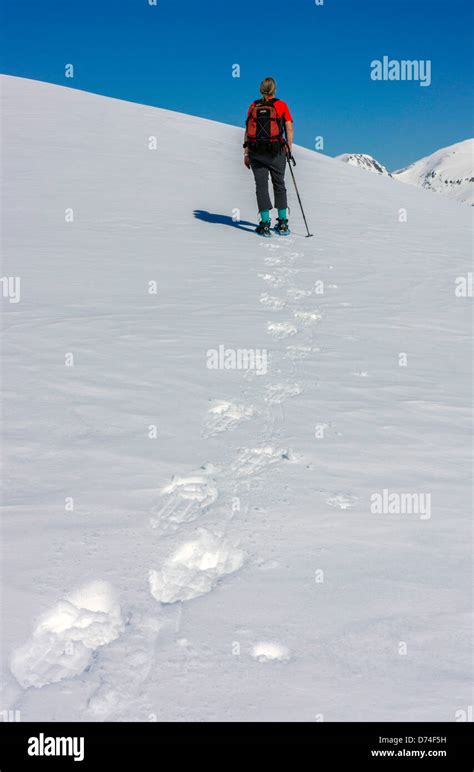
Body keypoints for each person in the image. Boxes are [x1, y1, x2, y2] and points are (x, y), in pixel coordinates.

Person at [243, 77, 294, 237]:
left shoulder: (253, 105)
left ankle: (265, 224)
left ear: (261, 89)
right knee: (279, 184)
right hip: (276, 151)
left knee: (261, 186)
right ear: (274, 89)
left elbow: (247, 130)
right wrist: (288, 148)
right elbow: (289, 128)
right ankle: (283, 223)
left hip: (256, 152)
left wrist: (246, 152)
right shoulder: (281, 105)